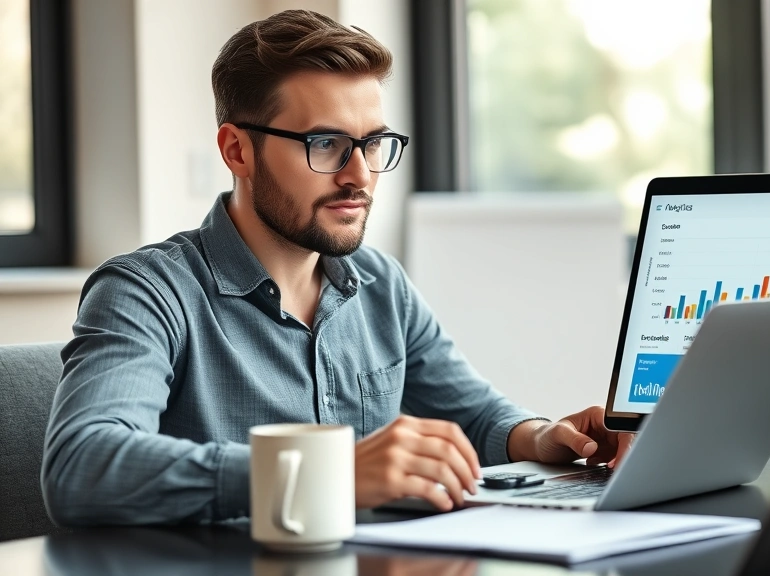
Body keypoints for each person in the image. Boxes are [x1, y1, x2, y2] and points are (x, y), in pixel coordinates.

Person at [41, 10, 631, 526]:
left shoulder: (381, 285)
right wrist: (324, 474)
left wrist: (544, 437)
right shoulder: (146, 291)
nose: (361, 175)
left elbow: (474, 414)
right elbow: (82, 465)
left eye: (372, 143)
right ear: (237, 150)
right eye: (325, 144)